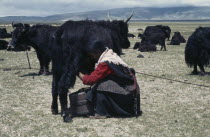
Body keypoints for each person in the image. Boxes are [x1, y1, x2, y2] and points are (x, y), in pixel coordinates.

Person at [77, 47, 141, 119]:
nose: (92, 57)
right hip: (130, 91)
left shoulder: (105, 63)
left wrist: (77, 72)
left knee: (101, 86)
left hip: (127, 94)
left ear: (98, 52)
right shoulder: (111, 56)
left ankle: (102, 112)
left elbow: (89, 80)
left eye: (92, 55)